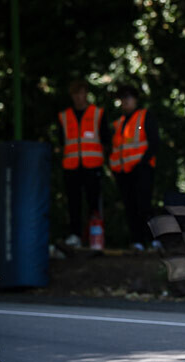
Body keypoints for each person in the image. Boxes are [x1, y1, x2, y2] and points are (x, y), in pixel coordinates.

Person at [57, 79, 111, 247]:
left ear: (86, 94)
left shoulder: (97, 113)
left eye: (82, 93)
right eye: (76, 94)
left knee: (94, 203)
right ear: (72, 96)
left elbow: (106, 139)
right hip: (71, 166)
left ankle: (96, 237)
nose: (79, 97)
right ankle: (75, 236)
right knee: (74, 202)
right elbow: (61, 141)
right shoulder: (64, 117)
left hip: (92, 165)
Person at [110, 85, 160, 251]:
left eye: (128, 97)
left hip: (142, 169)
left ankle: (153, 239)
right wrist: (115, 169)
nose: (125, 101)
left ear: (135, 99)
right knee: (130, 206)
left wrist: (142, 163)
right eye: (122, 98)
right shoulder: (119, 123)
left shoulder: (145, 116)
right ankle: (137, 241)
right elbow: (116, 148)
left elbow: (154, 142)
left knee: (144, 205)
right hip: (124, 172)